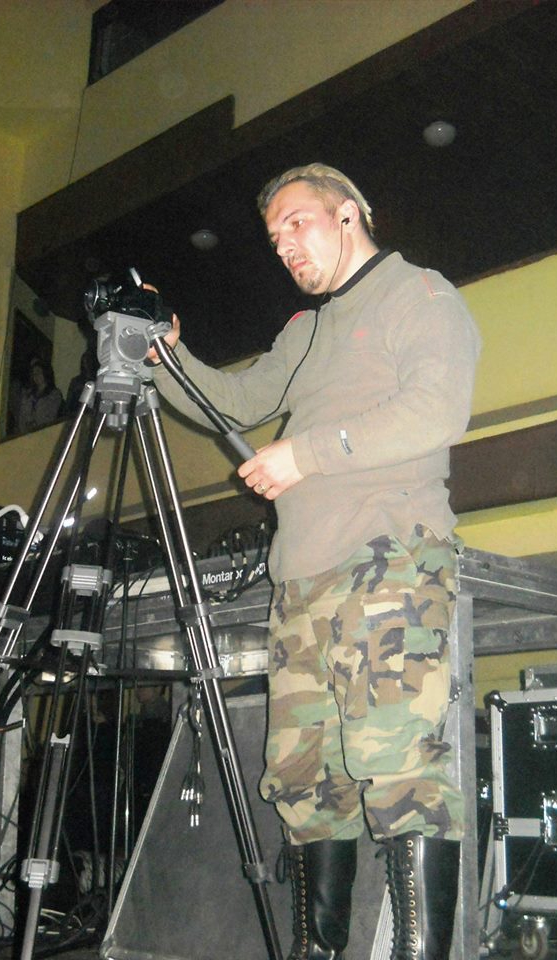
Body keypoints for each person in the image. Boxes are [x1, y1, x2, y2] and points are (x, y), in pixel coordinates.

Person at [149, 163, 481, 960]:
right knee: (306, 782)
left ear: (348, 213)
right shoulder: (306, 331)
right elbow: (232, 403)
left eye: (297, 223)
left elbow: (437, 409)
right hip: (299, 583)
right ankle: (320, 951)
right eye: (274, 237)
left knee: (396, 765)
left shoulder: (418, 294)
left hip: (388, 564)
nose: (284, 245)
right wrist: (165, 356)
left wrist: (306, 453)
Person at [16, 357, 64, 433]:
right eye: (34, 374)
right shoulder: (28, 395)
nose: (36, 376)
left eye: (38, 372)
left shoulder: (54, 395)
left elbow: (51, 415)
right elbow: (22, 416)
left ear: (45, 373)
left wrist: (37, 425)